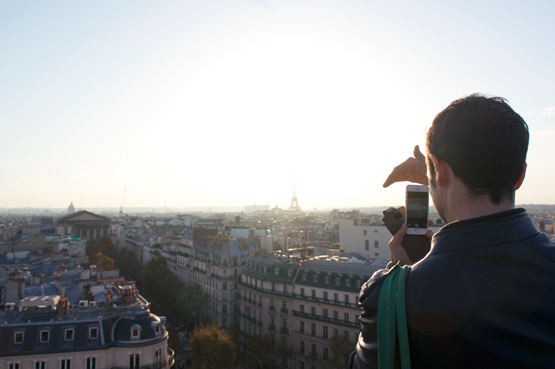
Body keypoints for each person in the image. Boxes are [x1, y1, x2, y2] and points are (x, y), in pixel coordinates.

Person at [349, 94, 555, 368]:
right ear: (520, 175)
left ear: (436, 167)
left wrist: (399, 283)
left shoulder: (395, 297)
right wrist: (441, 175)